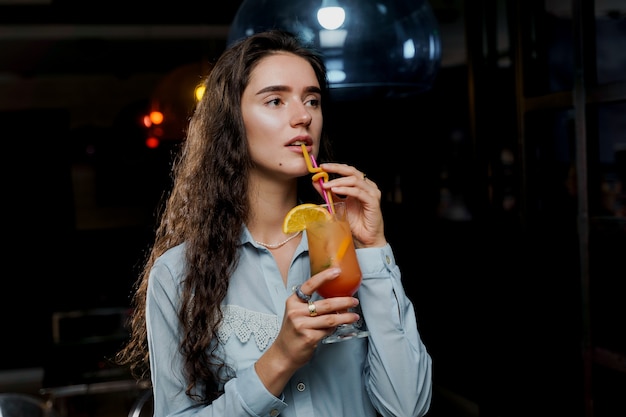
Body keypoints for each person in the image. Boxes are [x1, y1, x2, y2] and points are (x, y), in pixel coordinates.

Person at [115, 29, 432, 417]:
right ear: (231, 120)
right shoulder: (177, 274)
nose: (303, 117)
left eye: (312, 100)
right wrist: (277, 360)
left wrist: (374, 249)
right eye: (276, 100)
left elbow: (408, 407)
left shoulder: (347, 248)